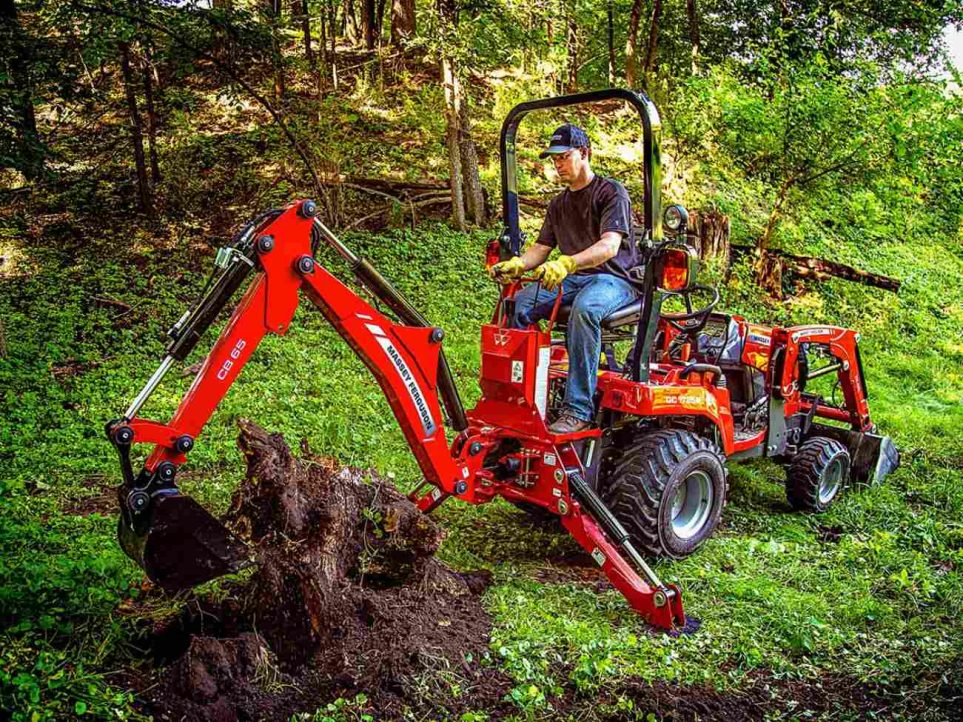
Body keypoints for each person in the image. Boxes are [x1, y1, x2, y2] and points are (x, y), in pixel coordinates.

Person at [490, 124, 639, 434]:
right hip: (574, 278)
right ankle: (521, 395)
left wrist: (568, 263)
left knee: (585, 311)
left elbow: (609, 246)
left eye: (564, 157)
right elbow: (541, 248)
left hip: (614, 280)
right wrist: (518, 265)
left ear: (584, 154)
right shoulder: (558, 204)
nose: (557, 165)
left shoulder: (611, 192)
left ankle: (578, 409)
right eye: (553, 159)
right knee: (517, 305)